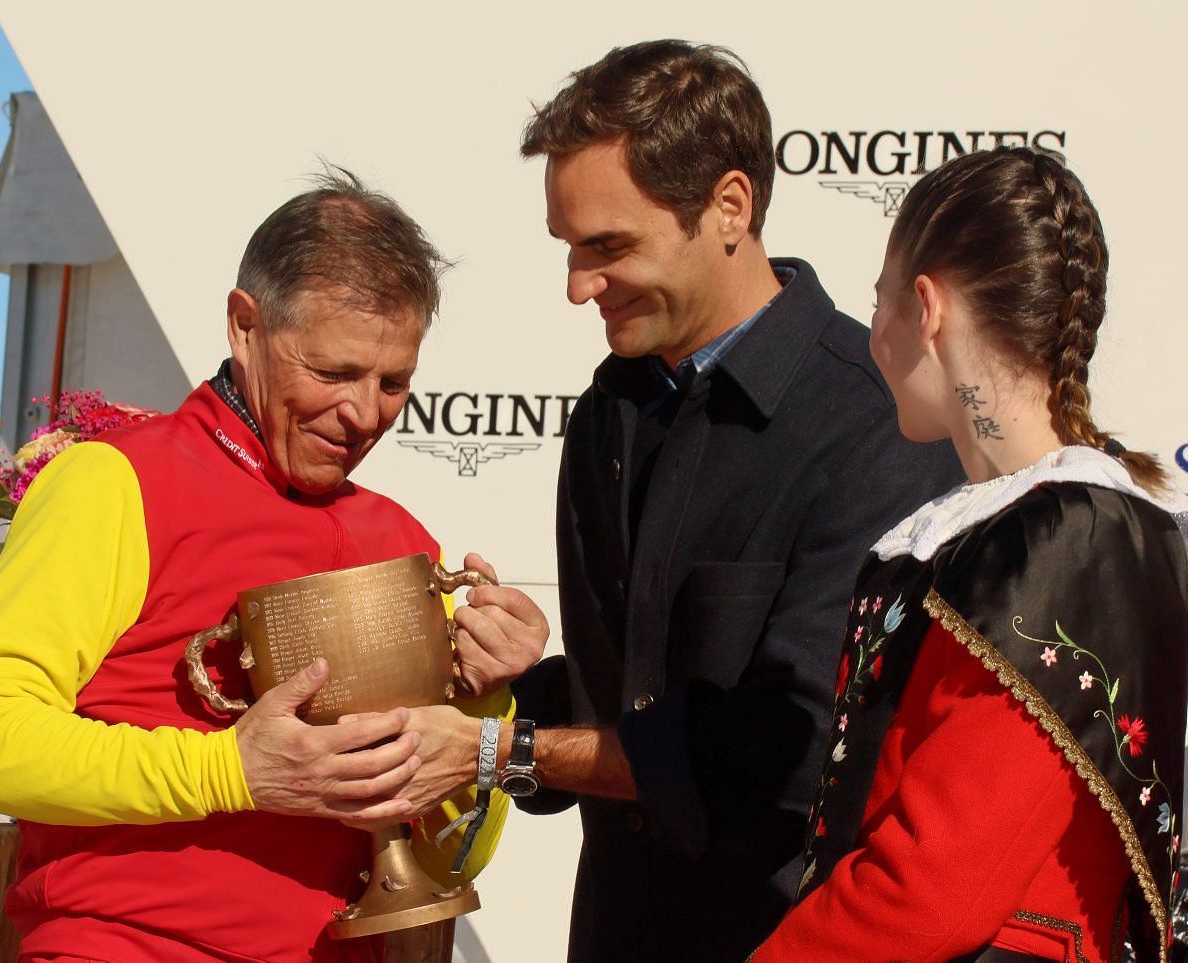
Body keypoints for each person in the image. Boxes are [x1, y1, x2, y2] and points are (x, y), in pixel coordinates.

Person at [398, 40, 963, 961]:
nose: (578, 285)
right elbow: (631, 718)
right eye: (571, 248)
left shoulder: (874, 422)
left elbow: (794, 753)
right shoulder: (607, 415)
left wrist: (504, 751)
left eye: (609, 246)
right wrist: (501, 692)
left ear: (729, 207)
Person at [0, 170, 547, 962]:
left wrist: (488, 699)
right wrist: (230, 770)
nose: (364, 413)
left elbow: (454, 858)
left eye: (394, 383)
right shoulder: (116, 483)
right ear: (245, 325)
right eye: (332, 372)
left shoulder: (402, 540)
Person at [752, 147, 1188, 962]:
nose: (874, 332)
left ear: (926, 309)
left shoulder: (1063, 536)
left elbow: (934, 884)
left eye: (879, 301)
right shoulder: (1024, 527)